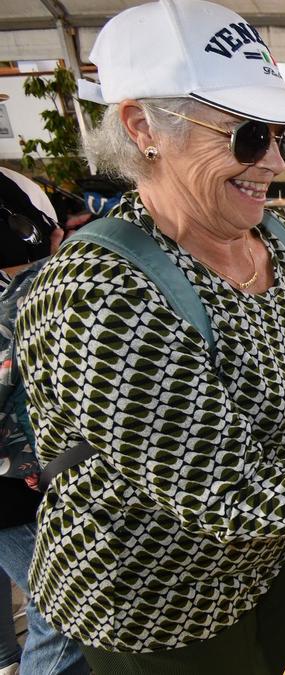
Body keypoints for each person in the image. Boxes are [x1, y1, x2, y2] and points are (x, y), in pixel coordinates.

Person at [15, 2, 285, 672]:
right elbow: (225, 491)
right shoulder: (101, 292)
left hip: (268, 557)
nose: (274, 160)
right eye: (247, 136)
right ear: (142, 127)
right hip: (157, 607)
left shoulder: (275, 236)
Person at [0, 168, 88, 675]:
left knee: (54, 606)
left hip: (25, 483)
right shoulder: (33, 296)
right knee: (62, 609)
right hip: (16, 491)